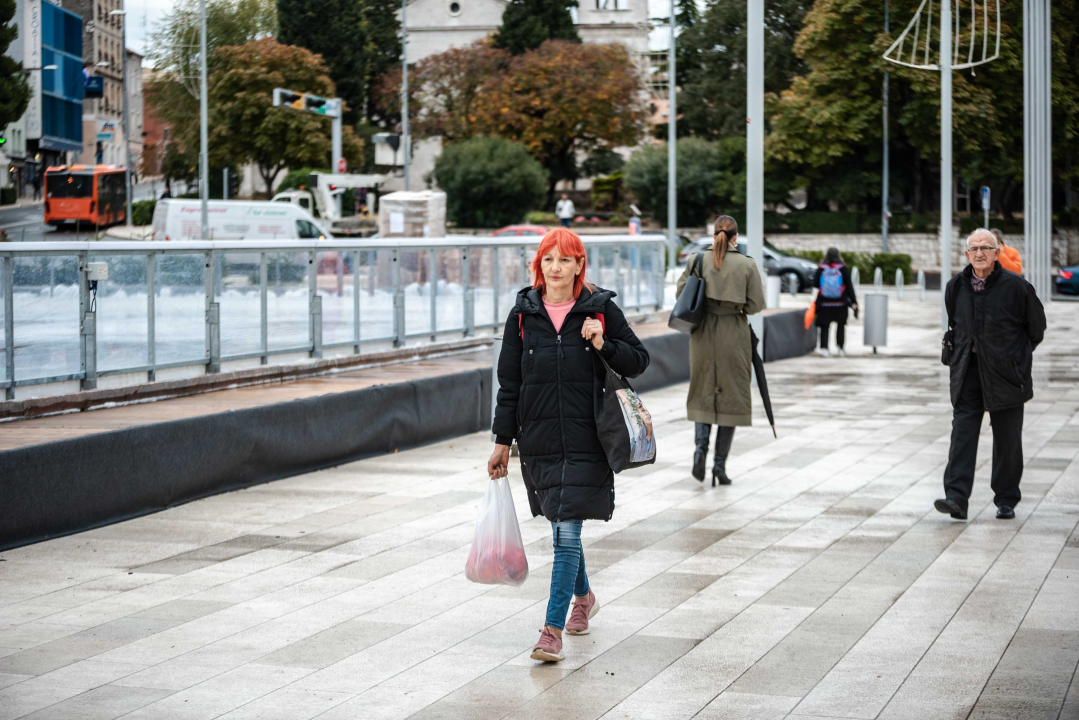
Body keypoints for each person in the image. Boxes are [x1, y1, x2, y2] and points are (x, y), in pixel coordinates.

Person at [489, 228, 649, 663]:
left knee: (566, 530)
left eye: (565, 259)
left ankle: (551, 631)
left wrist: (603, 342)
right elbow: (509, 385)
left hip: (588, 439)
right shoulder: (522, 316)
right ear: (537, 266)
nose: (555, 268)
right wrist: (502, 441)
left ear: (580, 264)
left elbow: (639, 360)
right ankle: (584, 597)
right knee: (562, 524)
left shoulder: (600, 309)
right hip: (539, 439)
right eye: (548, 260)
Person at [935, 229, 1046, 521]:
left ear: (997, 253)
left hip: (1006, 373)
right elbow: (956, 323)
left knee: (1008, 439)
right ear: (967, 254)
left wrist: (1015, 357)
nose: (980, 253)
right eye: (974, 248)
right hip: (967, 370)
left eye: (986, 247)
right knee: (962, 433)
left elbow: (1036, 328)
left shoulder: (1017, 287)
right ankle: (956, 498)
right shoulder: (955, 286)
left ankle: (1006, 499)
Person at [677, 215, 765, 486]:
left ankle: (700, 450)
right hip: (733, 333)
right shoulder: (746, 264)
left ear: (714, 235)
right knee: (732, 397)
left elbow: (681, 294)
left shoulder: (696, 260)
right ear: (736, 237)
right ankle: (719, 466)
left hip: (702, 332)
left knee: (703, 391)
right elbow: (756, 305)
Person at [812, 247, 858, 357]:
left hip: (824, 303)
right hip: (841, 303)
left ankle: (824, 349)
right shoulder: (842, 269)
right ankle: (840, 348)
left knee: (824, 326)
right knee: (841, 325)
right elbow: (849, 286)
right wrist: (854, 301)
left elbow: (816, 284)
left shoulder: (821, 269)